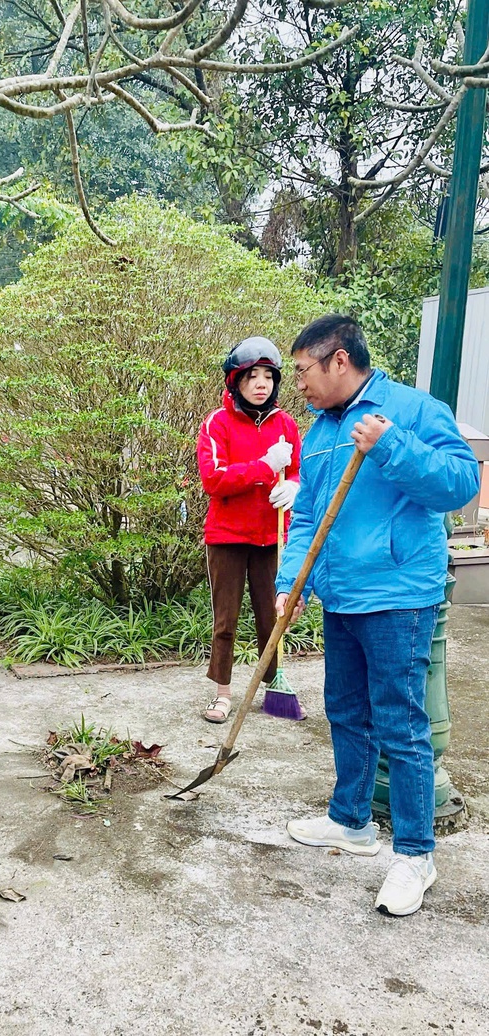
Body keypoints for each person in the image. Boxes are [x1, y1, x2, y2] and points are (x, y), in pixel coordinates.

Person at [275, 314, 479, 916]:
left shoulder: (413, 410)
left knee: (400, 724)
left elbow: (458, 485)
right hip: (340, 595)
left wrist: (390, 444)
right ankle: (352, 820)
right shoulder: (319, 430)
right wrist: (293, 583)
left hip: (398, 596)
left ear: (339, 360)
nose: (299, 385)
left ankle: (416, 854)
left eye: (304, 371)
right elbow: (310, 513)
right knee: (346, 709)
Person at [197, 337, 301, 723]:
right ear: (236, 382)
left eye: (268, 376)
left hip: (271, 536)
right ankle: (222, 694)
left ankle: (272, 686)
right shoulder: (217, 423)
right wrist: (263, 466)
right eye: (252, 376)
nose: (261, 383)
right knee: (226, 619)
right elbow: (214, 479)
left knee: (271, 615)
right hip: (227, 536)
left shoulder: (285, 423)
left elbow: (297, 470)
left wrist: (294, 485)